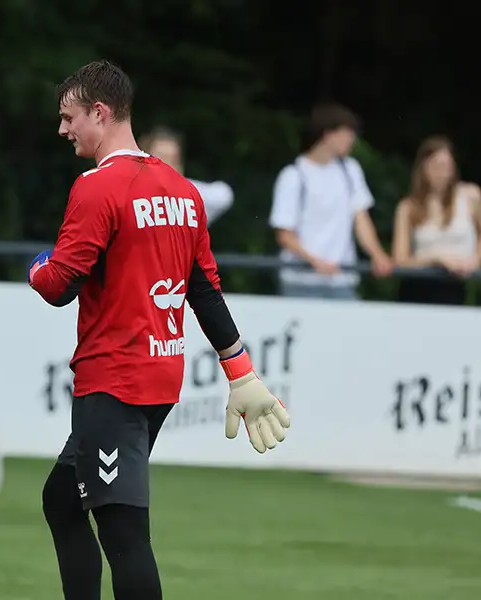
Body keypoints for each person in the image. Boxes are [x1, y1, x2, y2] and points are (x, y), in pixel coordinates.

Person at [28, 60, 291, 600]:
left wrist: (36, 264)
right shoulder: (181, 191)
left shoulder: (97, 188)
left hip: (113, 383)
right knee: (62, 498)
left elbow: (59, 285)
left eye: (68, 116)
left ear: (99, 113)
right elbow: (204, 289)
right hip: (158, 379)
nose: (63, 129)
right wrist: (241, 372)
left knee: (124, 535)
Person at [268, 103, 393, 299]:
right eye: (347, 134)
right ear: (328, 135)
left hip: (341, 280)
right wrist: (315, 262)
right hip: (301, 283)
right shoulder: (294, 175)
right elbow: (285, 235)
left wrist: (377, 254)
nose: (352, 140)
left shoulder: (350, 170)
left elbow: (361, 219)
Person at [391, 135, 481, 304]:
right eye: (436, 166)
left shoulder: (470, 195)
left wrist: (475, 260)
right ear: (423, 168)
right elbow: (400, 260)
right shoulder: (408, 207)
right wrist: (436, 259)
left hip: (456, 285)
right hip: (418, 285)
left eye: (447, 166)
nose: (443, 173)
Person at [140, 125, 234, 224]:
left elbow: (224, 195)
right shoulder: (130, 197)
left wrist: (180, 188)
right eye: (161, 160)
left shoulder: (190, 199)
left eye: (174, 160)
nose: (168, 167)